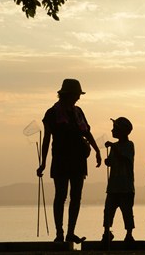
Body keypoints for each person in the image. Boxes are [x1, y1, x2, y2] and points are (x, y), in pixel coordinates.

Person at [37, 79, 102, 243]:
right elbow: (47, 139)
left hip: (78, 159)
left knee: (76, 196)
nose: (78, 98)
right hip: (60, 158)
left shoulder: (78, 111)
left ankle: (70, 232)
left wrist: (97, 150)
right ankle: (60, 233)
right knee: (60, 195)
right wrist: (43, 162)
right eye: (76, 95)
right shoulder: (52, 113)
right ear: (67, 95)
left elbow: (86, 132)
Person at [101, 117, 135, 243]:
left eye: (115, 129)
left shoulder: (129, 145)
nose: (112, 130)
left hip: (126, 186)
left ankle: (129, 234)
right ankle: (106, 232)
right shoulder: (114, 146)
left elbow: (125, 159)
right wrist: (108, 161)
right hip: (113, 186)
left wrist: (113, 148)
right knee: (108, 210)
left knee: (127, 211)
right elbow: (112, 161)